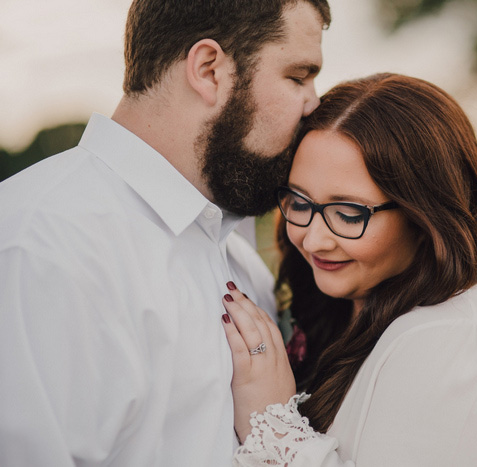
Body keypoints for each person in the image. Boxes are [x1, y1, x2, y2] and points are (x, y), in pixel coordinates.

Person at [0, 1, 330, 465]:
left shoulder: (240, 263)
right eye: (298, 76)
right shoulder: (36, 251)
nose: (314, 103)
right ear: (209, 70)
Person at [220, 73, 477, 466]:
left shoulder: (458, 342)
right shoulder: (348, 308)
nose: (312, 240)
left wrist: (272, 427)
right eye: (300, 202)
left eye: (348, 213)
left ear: (424, 216)